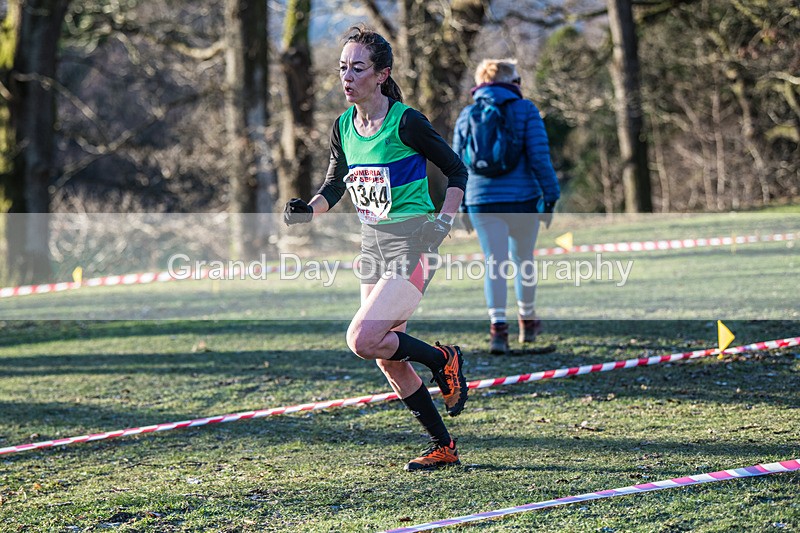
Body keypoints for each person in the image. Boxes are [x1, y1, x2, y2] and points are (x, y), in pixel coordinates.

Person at [283, 26, 469, 472]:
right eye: (343, 67)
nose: (347, 77)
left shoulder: (406, 121)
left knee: (362, 339)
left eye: (358, 68)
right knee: (385, 353)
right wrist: (308, 212)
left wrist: (442, 224)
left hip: (414, 242)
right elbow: (334, 184)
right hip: (373, 246)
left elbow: (457, 171)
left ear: (382, 74)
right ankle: (442, 446)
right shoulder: (344, 125)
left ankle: (443, 359)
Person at [452, 58, 560, 355]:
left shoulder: (468, 114)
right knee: (523, 260)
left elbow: (456, 164)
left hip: (481, 201)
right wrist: (550, 197)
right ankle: (527, 322)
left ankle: (498, 330)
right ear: (512, 82)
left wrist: (462, 204)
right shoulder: (526, 111)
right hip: (522, 199)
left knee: (494, 264)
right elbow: (539, 158)